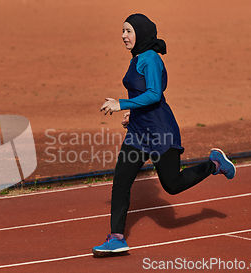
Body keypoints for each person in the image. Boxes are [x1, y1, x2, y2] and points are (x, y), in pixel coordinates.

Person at [92, 13, 236, 256]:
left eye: (128, 31)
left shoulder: (150, 59)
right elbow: (143, 95)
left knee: (172, 185)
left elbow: (154, 94)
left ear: (141, 33)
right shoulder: (137, 57)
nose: (123, 36)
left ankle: (214, 164)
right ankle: (116, 238)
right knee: (121, 182)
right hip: (138, 133)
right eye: (123, 31)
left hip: (160, 132)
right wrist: (132, 114)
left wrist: (122, 104)